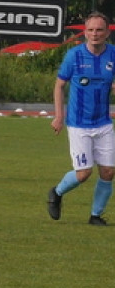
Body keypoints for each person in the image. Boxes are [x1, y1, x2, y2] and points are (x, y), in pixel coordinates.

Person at [47, 12, 115, 225]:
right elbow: (59, 85)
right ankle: (56, 193)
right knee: (84, 173)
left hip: (103, 123)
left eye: (99, 30)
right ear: (85, 32)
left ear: (106, 32)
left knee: (108, 171)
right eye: (91, 30)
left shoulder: (113, 54)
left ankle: (96, 215)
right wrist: (59, 116)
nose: (95, 34)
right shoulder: (74, 56)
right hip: (78, 124)